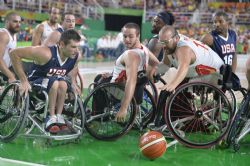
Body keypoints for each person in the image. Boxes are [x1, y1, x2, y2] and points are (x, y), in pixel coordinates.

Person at [10, 29, 82, 134]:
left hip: (55, 85)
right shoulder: (45, 53)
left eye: (78, 47)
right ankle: (51, 116)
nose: (76, 50)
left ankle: (59, 116)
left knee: (63, 84)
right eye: (73, 47)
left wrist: (74, 82)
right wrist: (23, 80)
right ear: (61, 44)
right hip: (35, 83)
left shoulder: (76, 56)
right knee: (55, 82)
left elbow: (74, 67)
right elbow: (14, 53)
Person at [95, 23, 159, 122]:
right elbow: (156, 63)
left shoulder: (131, 55)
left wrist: (123, 108)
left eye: (131, 36)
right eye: (125, 36)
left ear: (138, 36)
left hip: (119, 90)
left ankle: (99, 117)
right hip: (137, 92)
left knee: (98, 80)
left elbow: (131, 81)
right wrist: (150, 74)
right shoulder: (144, 49)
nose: (127, 39)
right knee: (103, 76)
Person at [158, 25, 224, 92]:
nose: (163, 46)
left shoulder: (183, 48)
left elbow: (183, 69)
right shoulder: (171, 42)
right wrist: (152, 71)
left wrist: (172, 84)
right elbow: (165, 65)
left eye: (166, 42)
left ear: (176, 38)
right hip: (202, 70)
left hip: (215, 73)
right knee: (178, 90)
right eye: (161, 42)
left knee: (177, 89)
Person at [0, 12, 21, 83]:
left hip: (4, 69)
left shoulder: (14, 35)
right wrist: (11, 76)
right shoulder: (3, 35)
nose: (18, 24)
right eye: (15, 21)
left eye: (19, 22)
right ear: (7, 22)